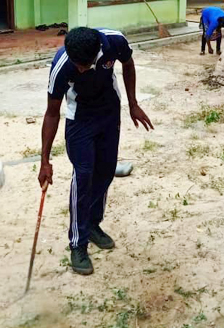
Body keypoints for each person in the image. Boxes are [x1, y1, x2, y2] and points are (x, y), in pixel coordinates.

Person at [39, 27, 153, 276]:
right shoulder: (62, 65)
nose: (79, 70)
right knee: (84, 175)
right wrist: (44, 160)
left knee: (105, 172)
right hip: (79, 120)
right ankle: (77, 244)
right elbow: (51, 113)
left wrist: (133, 104)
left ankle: (92, 224)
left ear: (97, 54)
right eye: (76, 65)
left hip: (109, 113)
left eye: (84, 65)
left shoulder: (114, 42)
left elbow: (128, 63)